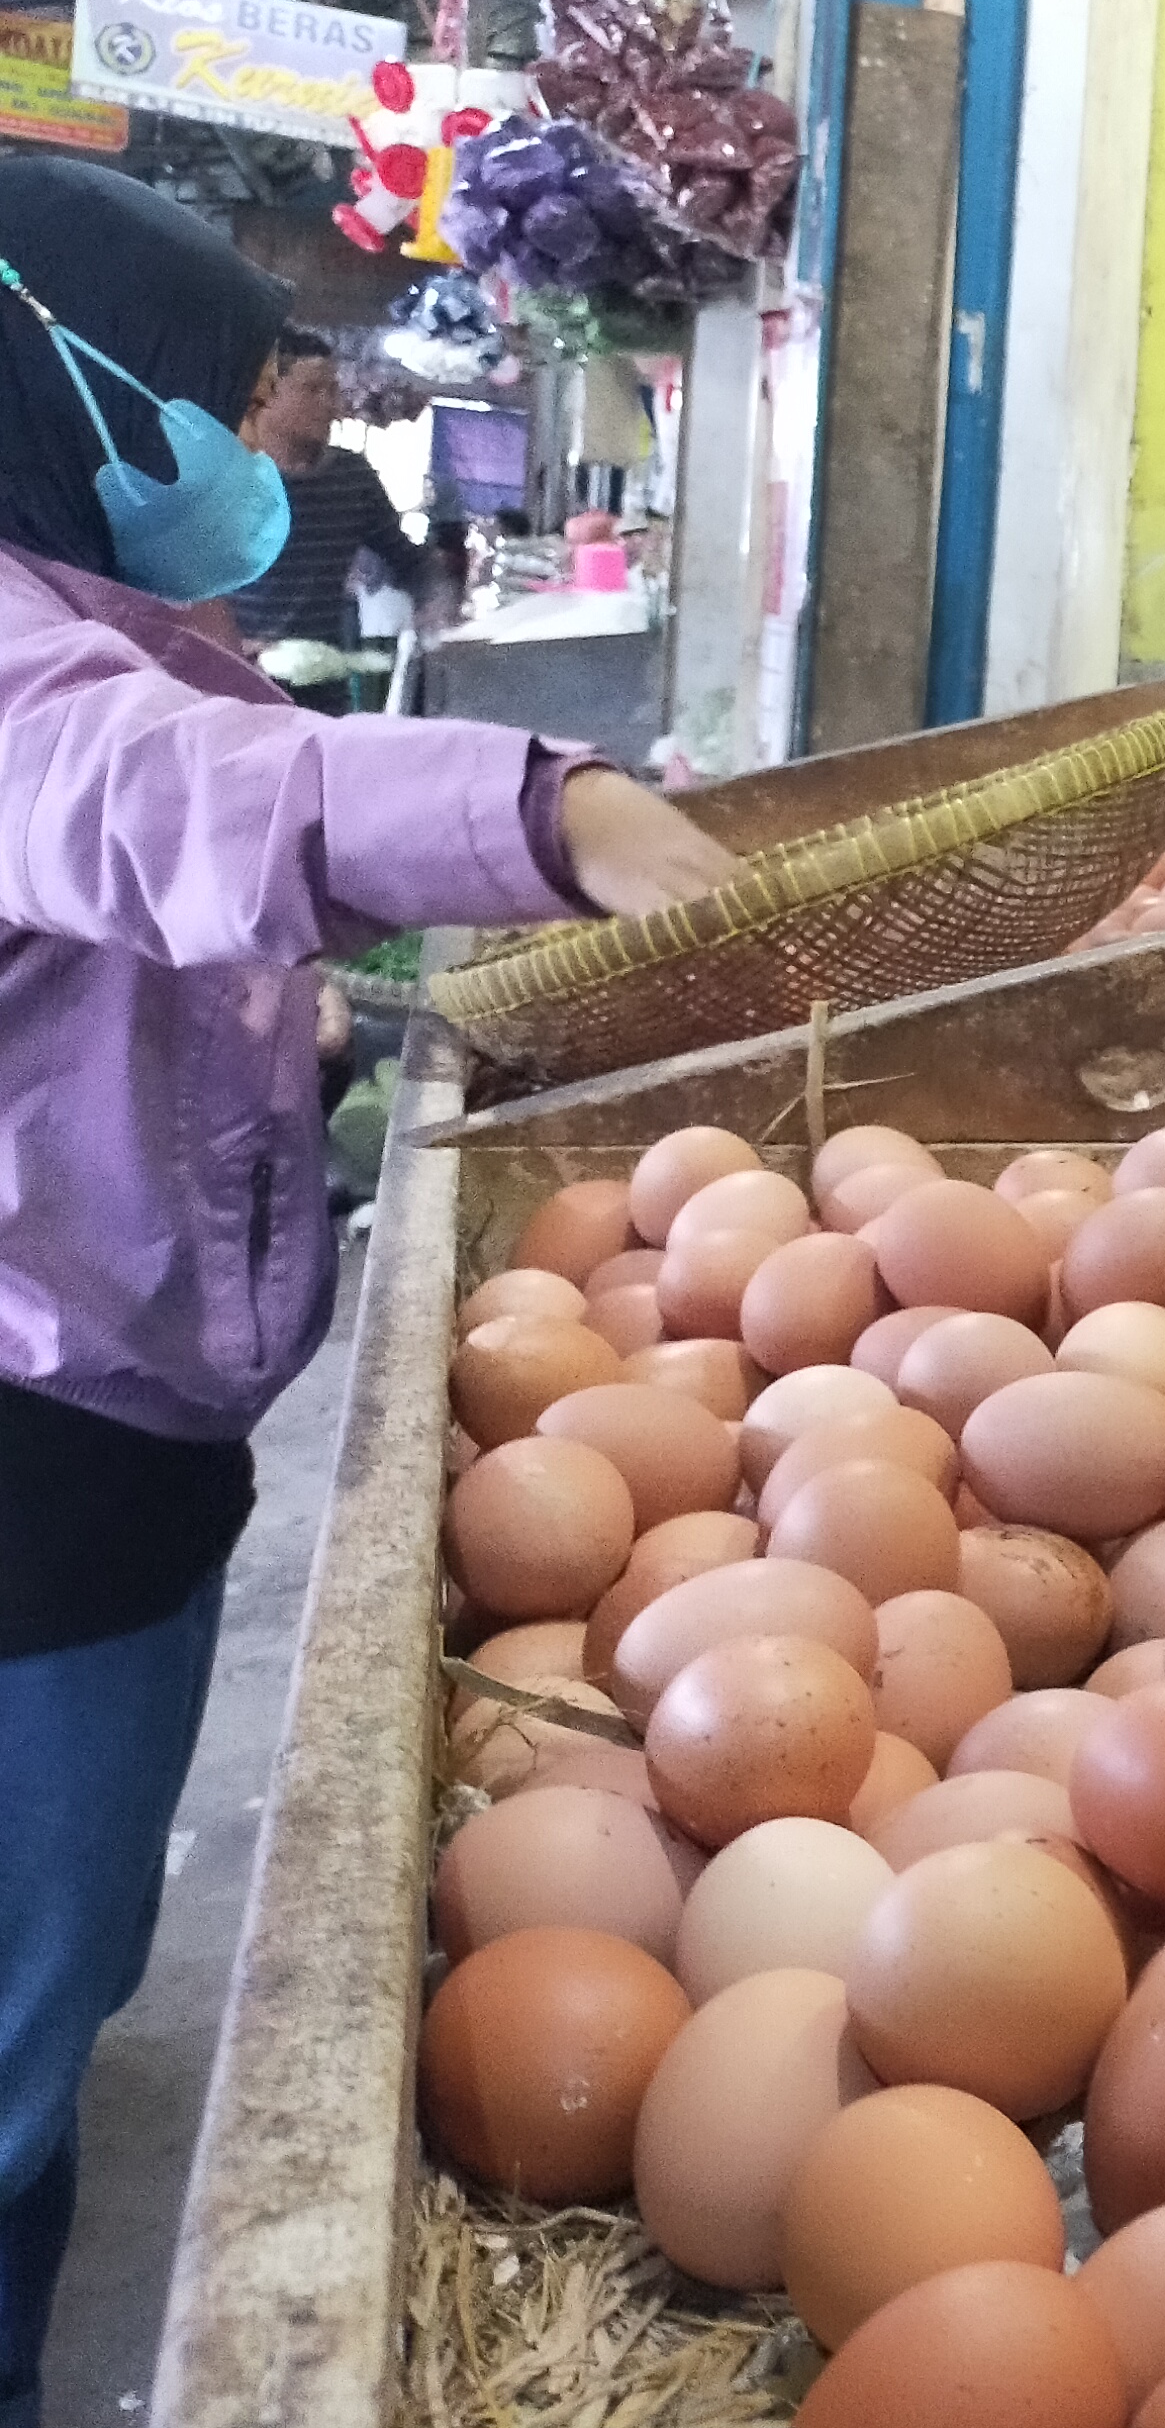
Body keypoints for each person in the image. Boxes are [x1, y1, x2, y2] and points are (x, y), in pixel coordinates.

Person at [0, 160, 738, 2428]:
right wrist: (554, 807)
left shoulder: (96, 613)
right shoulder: (41, 668)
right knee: (24, 1996)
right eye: (219, 399)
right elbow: (160, 801)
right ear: (59, 394)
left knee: (66, 1944)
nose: (261, 443)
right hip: (37, 1447)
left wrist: (286, 1030)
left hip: (119, 1418)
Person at [227, 329, 448, 667]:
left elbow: (410, 561)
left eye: (333, 390)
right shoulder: (229, 475)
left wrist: (434, 602)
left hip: (324, 682)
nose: (332, 406)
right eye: (313, 390)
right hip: (232, 679)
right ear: (266, 394)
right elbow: (179, 586)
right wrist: (226, 644)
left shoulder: (351, 476)